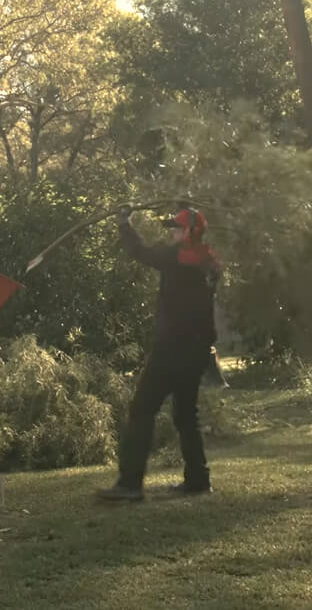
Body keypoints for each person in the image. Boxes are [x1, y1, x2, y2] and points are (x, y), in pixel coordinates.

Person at [96, 205, 222, 502]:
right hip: (198, 350)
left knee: (142, 409)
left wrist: (124, 223)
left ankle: (129, 484)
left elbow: (139, 251)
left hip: (172, 349)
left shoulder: (175, 257)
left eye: (177, 228)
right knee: (185, 415)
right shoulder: (209, 262)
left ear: (190, 231)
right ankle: (198, 480)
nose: (173, 233)